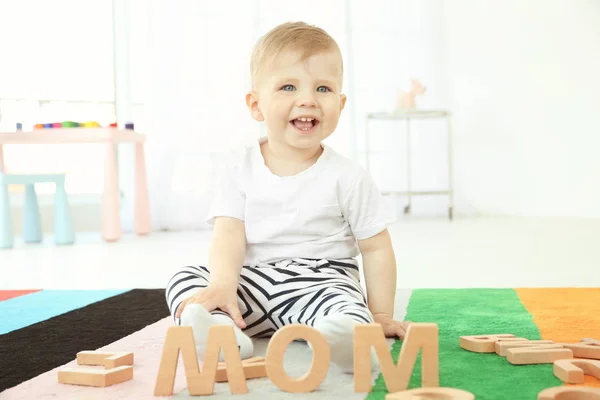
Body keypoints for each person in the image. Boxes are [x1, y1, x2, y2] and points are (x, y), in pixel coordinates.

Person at [165, 21, 410, 373]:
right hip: (252, 283)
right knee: (186, 278)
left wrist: (381, 313)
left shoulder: (349, 176)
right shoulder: (239, 166)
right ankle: (221, 331)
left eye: (323, 88)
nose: (307, 99)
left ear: (340, 104)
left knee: (345, 305)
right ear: (256, 105)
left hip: (322, 283)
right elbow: (229, 232)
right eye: (288, 86)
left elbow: (375, 247)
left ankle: (342, 338)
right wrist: (222, 284)